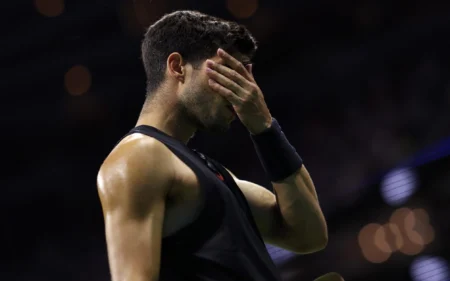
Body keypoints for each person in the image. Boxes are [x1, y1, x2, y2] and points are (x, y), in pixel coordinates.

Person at [97, 10, 333, 281]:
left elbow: (309, 235)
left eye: (245, 77)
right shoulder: (138, 157)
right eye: (228, 73)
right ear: (177, 67)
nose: (243, 93)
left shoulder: (210, 173)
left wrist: (265, 128)